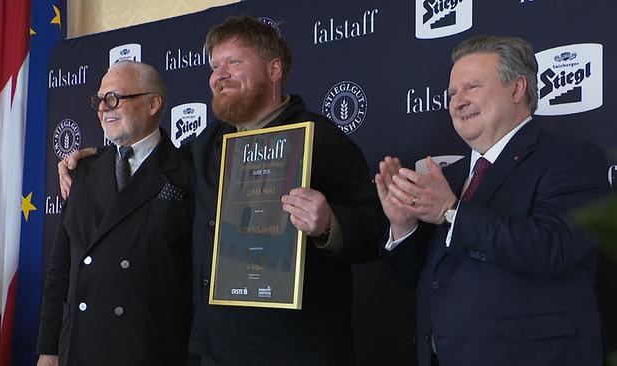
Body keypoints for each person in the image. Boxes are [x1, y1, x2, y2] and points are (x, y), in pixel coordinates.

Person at [58, 16, 384, 366]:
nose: (219, 75)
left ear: (274, 70)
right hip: (216, 349)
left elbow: (376, 230)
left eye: (234, 62)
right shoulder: (206, 145)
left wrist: (329, 225)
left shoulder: (321, 138)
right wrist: (102, 158)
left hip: (298, 349)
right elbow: (152, 165)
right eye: (215, 66)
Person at [375, 35, 610, 366]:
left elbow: (554, 249)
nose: (458, 101)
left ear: (517, 89)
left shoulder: (572, 160)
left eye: (472, 87)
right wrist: (403, 226)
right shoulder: (451, 177)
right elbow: (421, 280)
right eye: (452, 93)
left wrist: (451, 211)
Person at [37, 61, 194, 366]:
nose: (103, 108)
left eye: (114, 98)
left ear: (153, 103)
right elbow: (61, 266)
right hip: (81, 346)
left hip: (151, 350)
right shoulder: (80, 171)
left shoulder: (187, 171)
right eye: (99, 100)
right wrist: (49, 349)